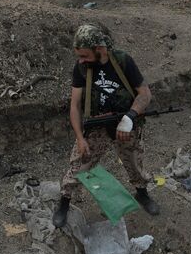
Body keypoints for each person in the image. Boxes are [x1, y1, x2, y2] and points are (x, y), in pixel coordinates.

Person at [53, 23, 159, 228]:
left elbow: (145, 94)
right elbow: (74, 106)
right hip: (97, 127)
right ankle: (64, 203)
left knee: (134, 162)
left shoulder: (122, 61)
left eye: (84, 55)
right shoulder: (82, 68)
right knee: (78, 165)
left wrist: (129, 118)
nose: (80, 60)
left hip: (124, 125)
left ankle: (142, 194)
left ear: (99, 49)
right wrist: (80, 138)